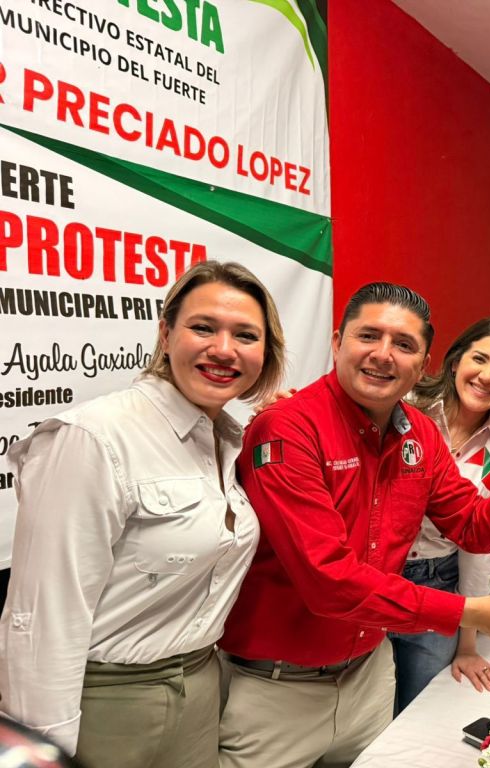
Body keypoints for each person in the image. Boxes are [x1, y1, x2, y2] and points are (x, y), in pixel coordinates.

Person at [218, 283, 490, 768]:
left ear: (423, 365)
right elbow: (329, 583)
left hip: (368, 677)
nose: (383, 355)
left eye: (403, 344)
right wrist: (472, 612)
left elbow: (473, 527)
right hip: (279, 690)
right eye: (368, 336)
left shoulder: (419, 433)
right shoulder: (288, 427)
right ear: (337, 342)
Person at [0, 261, 286, 767]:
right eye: (203, 327)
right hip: (106, 703)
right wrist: (44, 750)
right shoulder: (94, 437)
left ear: (265, 354)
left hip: (200, 687)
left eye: (246, 335)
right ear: (166, 334)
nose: (224, 349)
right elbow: (43, 618)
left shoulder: (228, 439)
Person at [391, 318, 490, 713]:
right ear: (456, 361)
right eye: (480, 359)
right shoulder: (405, 407)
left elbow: (482, 550)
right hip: (380, 573)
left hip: (441, 581)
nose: (487, 376)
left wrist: (468, 643)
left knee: (419, 710)